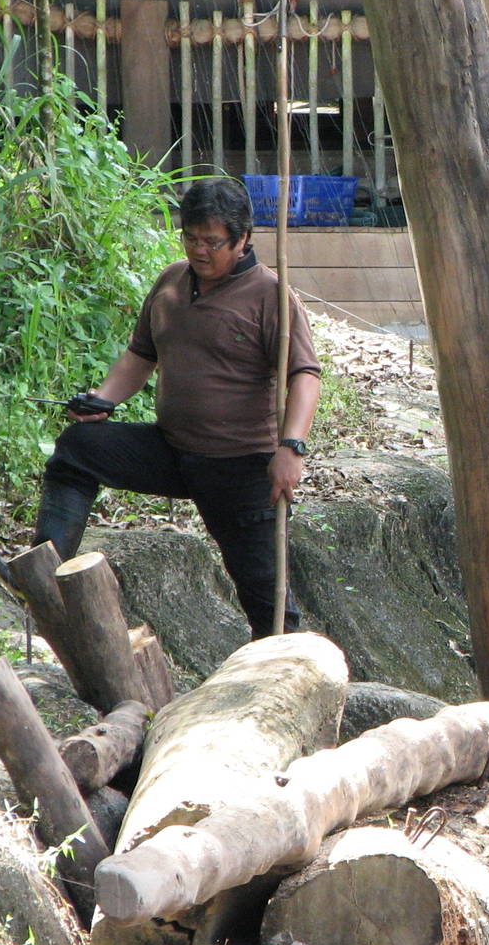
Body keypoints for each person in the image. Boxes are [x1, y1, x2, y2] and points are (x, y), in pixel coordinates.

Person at [16, 175, 321, 639]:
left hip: (242, 468)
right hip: (173, 450)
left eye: (212, 242)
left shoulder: (271, 296)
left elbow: (305, 375)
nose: (200, 251)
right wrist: (103, 399)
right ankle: (45, 571)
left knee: (267, 598)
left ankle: (286, 672)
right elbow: (142, 355)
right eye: (191, 238)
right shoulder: (171, 282)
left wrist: (291, 448)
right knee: (78, 448)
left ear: (242, 240)